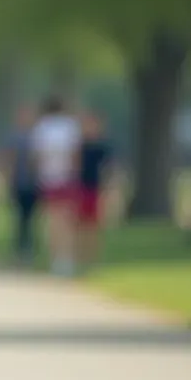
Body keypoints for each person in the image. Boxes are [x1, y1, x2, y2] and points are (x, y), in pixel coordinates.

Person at [29, 94, 81, 276]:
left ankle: (54, 259)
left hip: (48, 179)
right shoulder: (70, 126)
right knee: (66, 221)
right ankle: (66, 259)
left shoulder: (42, 127)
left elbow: (37, 156)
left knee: (52, 221)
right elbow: (75, 155)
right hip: (67, 179)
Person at [0, 104, 40, 264]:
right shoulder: (14, 138)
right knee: (20, 217)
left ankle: (29, 247)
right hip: (18, 182)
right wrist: (6, 178)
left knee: (31, 217)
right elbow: (6, 159)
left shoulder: (37, 137)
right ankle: (20, 248)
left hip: (34, 183)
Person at [74, 111, 114, 271]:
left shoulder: (102, 148)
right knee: (79, 226)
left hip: (96, 189)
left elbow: (109, 169)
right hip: (80, 188)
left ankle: (92, 259)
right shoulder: (80, 146)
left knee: (94, 226)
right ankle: (80, 257)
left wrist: (109, 188)